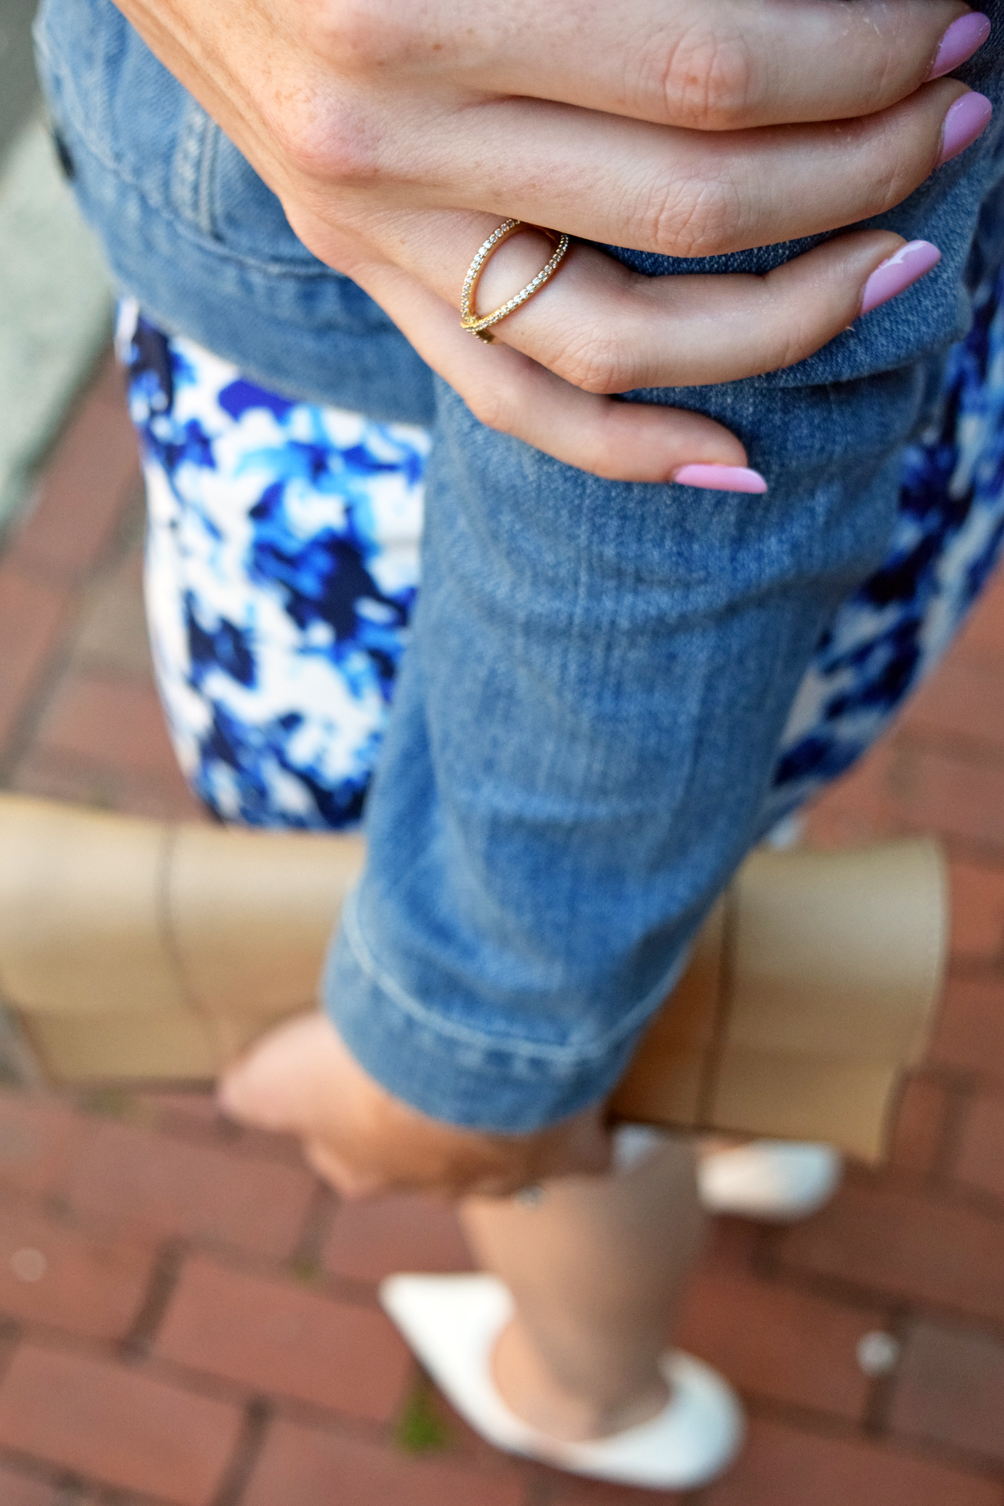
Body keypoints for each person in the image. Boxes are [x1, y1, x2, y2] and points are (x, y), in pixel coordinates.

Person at [33, 0, 1003, 1485]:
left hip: (467, 534)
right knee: (725, 801)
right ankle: (756, 1099)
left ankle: (590, 1386)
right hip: (864, 454)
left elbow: (669, 421)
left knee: (570, 1093)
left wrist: (473, 1040)